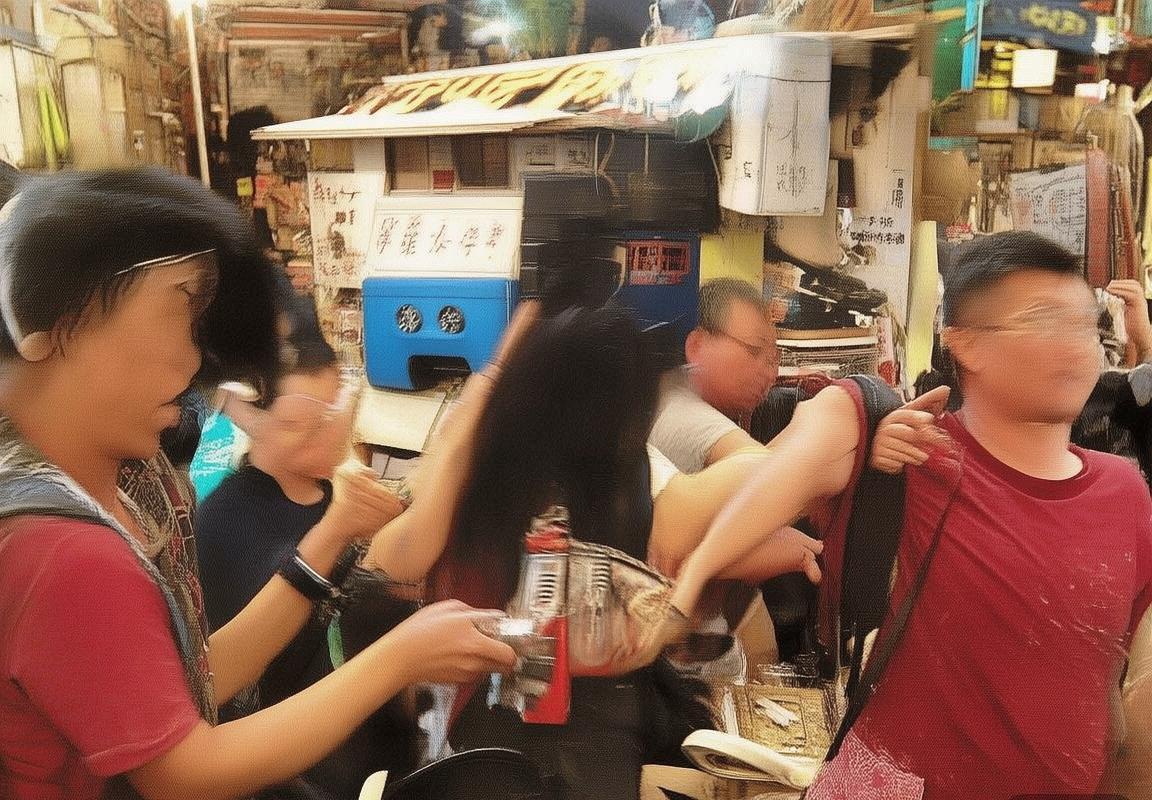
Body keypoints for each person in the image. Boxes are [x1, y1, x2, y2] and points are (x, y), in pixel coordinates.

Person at [0, 168, 516, 800]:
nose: (192, 359)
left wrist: (326, 551)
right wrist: (398, 659)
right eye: (176, 311)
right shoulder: (62, 550)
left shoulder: (118, 485)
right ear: (55, 326)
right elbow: (186, 771)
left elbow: (195, 679)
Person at [668, 231, 1152, 798]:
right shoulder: (906, 455)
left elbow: (1120, 690)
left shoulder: (1126, 493)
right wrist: (694, 581)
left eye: (1085, 325)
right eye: (1042, 321)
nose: (1074, 346)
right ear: (964, 343)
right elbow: (695, 517)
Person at [353, 299, 823, 800]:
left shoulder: (482, 477)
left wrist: (483, 396)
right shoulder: (632, 481)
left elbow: (386, 564)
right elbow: (780, 469)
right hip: (580, 750)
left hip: (483, 753)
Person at [648, 277, 777, 474]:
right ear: (697, 346)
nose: (770, 374)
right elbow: (769, 474)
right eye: (754, 349)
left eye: (772, 360)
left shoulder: (679, 388)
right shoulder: (681, 415)